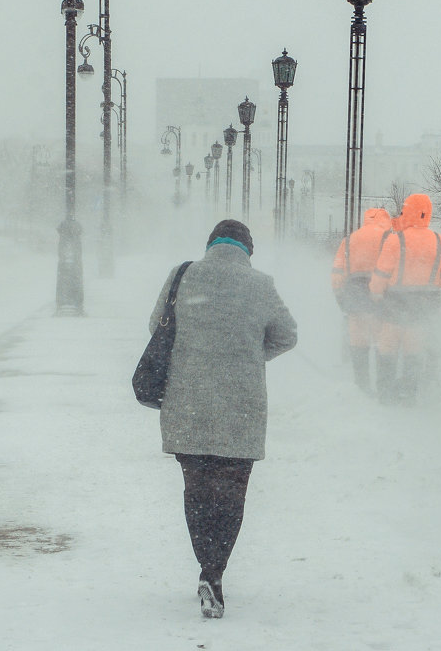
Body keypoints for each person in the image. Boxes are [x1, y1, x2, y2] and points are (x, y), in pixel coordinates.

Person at [148, 219, 298, 619]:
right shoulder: (261, 284)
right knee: (231, 492)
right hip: (240, 407)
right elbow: (287, 335)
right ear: (248, 250)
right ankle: (214, 572)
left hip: (188, 401)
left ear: (210, 244)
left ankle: (205, 563)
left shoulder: (182, 276)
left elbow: (156, 328)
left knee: (197, 491)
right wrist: (247, 355)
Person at [369, 193, 441, 402]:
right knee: (413, 351)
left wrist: (376, 293)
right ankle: (408, 394)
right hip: (424, 307)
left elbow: (381, 275)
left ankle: (386, 394)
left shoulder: (396, 240)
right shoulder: (440, 242)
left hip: (394, 304)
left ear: (408, 211)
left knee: (387, 349)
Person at [330, 207, 392, 391]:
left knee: (358, 339)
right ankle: (383, 383)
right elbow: (393, 269)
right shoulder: (389, 239)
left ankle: (362, 383)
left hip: (353, 294)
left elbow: (337, 273)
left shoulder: (349, 240)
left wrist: (341, 298)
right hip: (379, 295)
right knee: (382, 340)